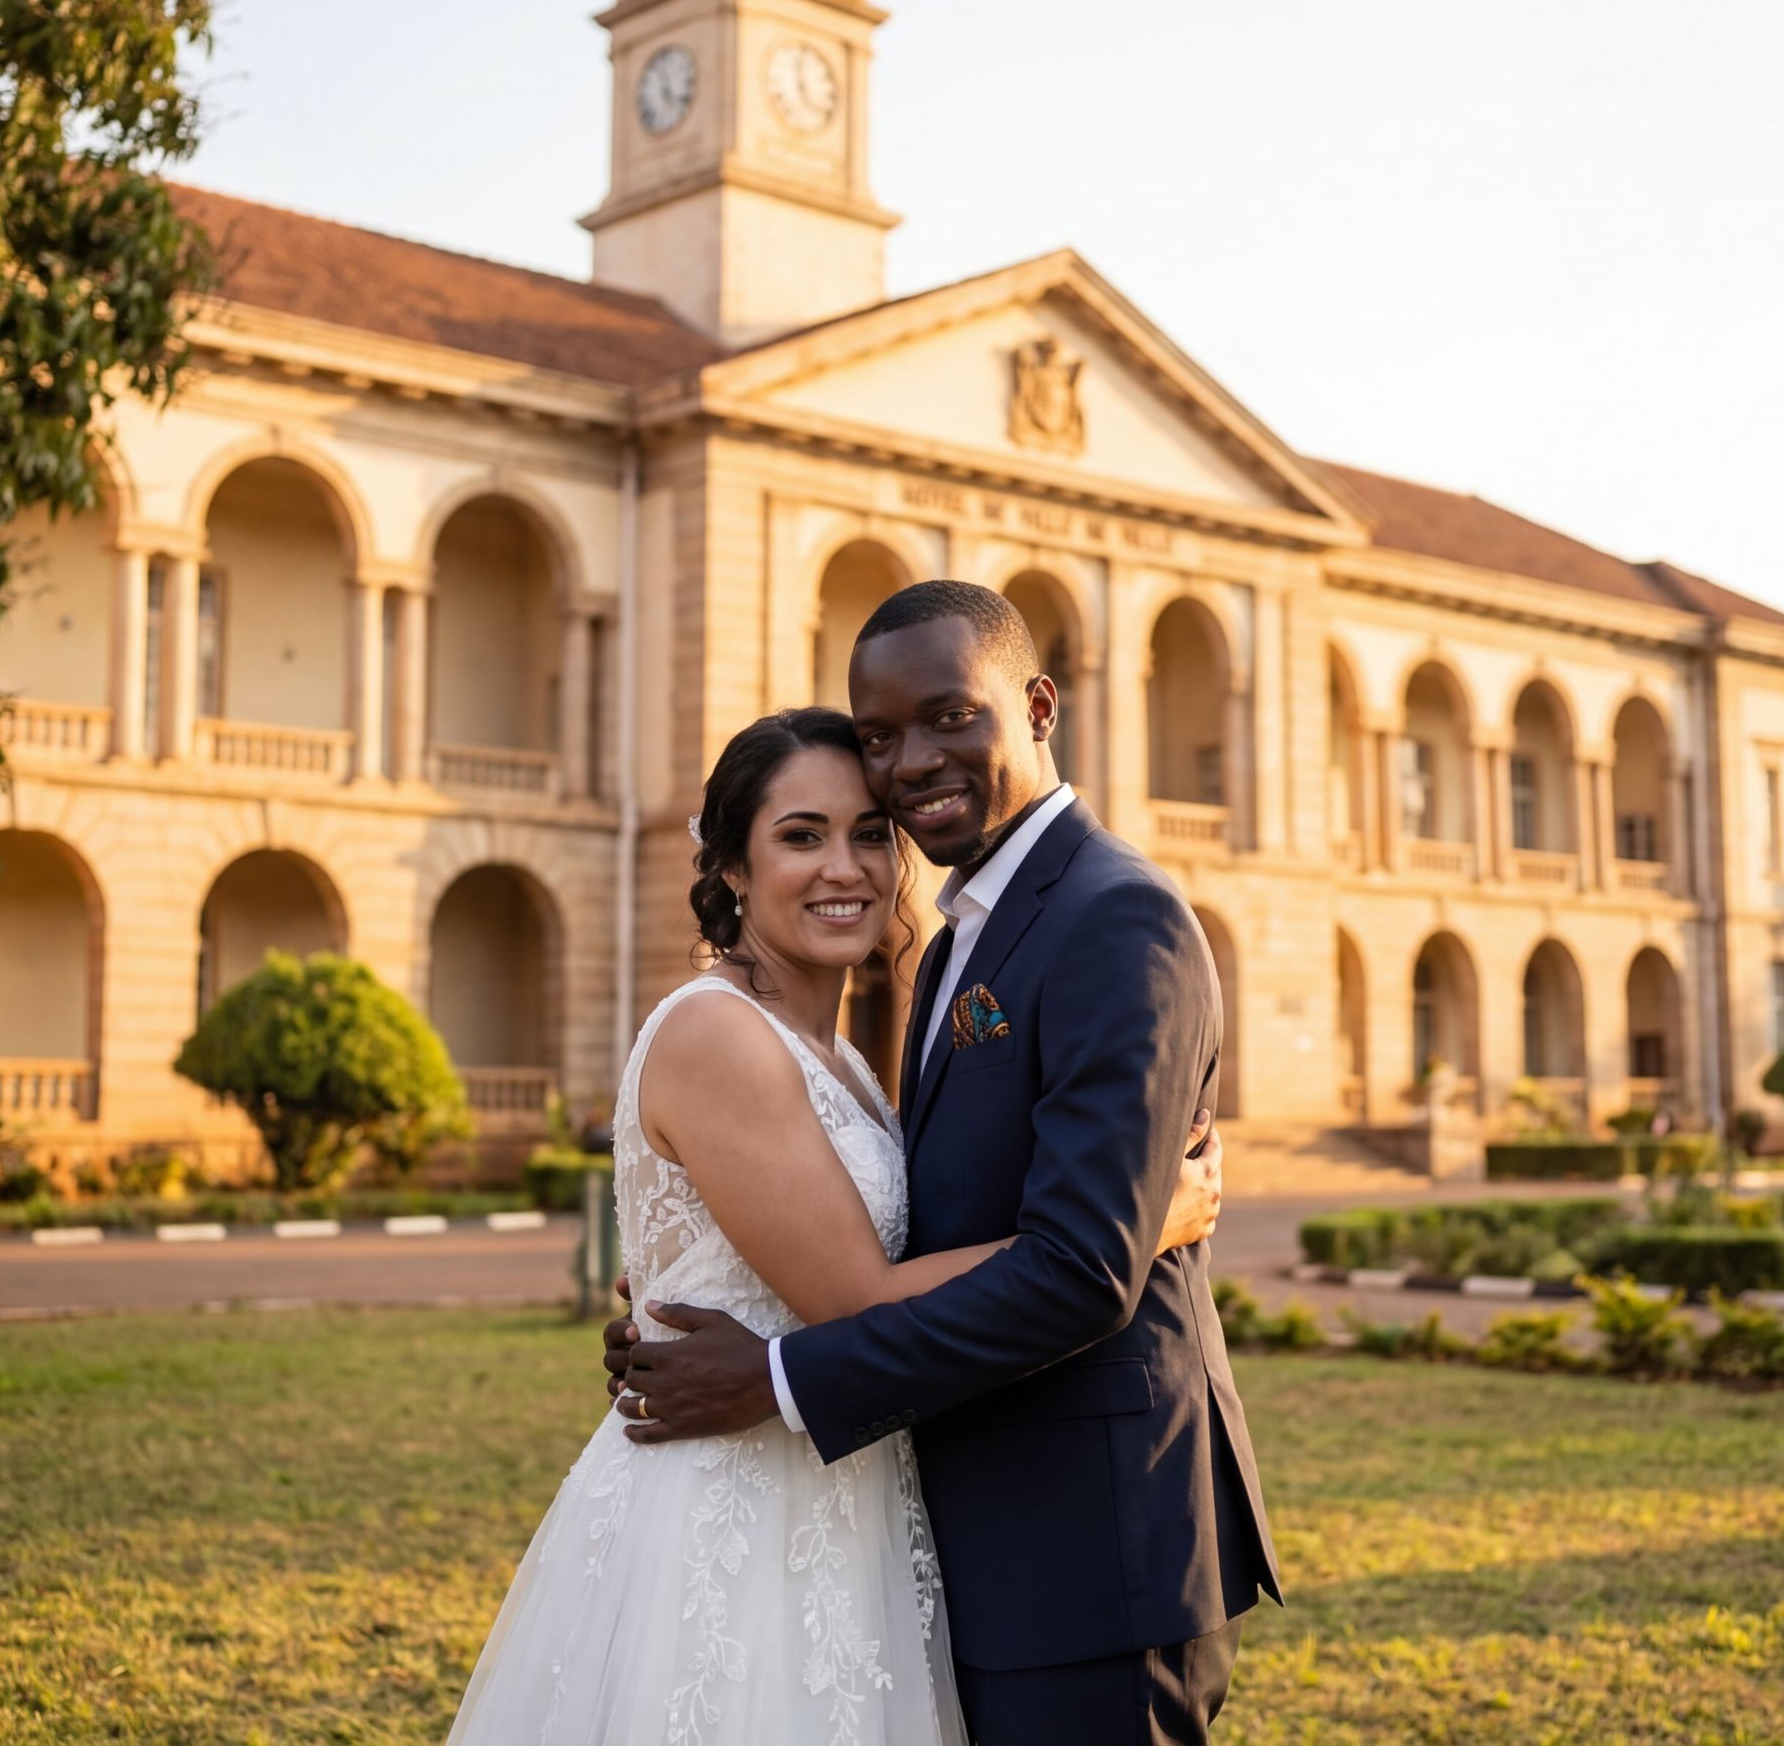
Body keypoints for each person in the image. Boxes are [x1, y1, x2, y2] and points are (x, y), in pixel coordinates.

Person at [444, 705, 1222, 1743]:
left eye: (868, 834)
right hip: (742, 1503)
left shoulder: (851, 1061)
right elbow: (853, 1295)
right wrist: (1140, 1217)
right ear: (728, 868)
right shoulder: (717, 1031)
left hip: (853, 1487)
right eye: (800, 836)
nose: (844, 866)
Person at [607, 581, 1280, 1745]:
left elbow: (1080, 1271)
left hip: (1090, 1546)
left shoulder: (1113, 917)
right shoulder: (961, 937)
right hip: (941, 1531)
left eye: (950, 718)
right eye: (882, 741)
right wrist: (700, 1290)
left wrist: (772, 1374)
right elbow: (917, 1239)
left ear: (1035, 705)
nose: (913, 763)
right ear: (730, 866)